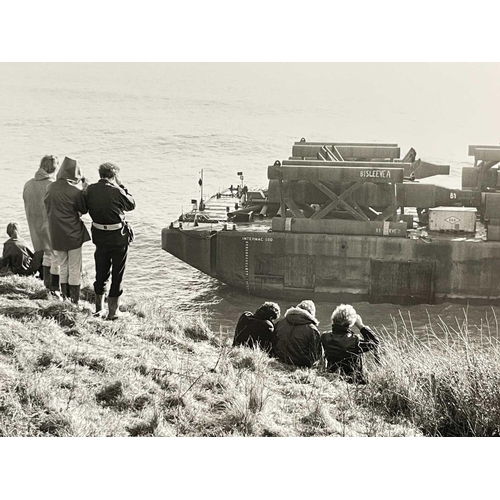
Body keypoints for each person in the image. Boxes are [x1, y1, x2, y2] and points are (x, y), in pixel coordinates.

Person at [84, 162, 135, 319]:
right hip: (118, 238)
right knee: (117, 274)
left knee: (101, 272)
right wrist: (122, 186)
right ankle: (113, 311)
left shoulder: (90, 189)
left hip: (99, 236)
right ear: (114, 176)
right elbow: (131, 205)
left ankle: (99, 309)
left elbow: (85, 206)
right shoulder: (116, 190)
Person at [44, 157, 90, 304]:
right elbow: (84, 209)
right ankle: (74, 301)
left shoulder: (50, 187)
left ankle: (65, 297)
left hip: (56, 232)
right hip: (73, 233)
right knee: (74, 267)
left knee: (63, 265)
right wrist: (84, 190)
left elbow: (48, 206)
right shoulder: (75, 191)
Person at [23, 154, 61, 293]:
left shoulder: (28, 184)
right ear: (54, 169)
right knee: (56, 256)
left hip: (35, 228)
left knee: (46, 255)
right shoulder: (52, 185)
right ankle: (54, 288)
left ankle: (46, 285)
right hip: (50, 226)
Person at [321, 304, 379, 384]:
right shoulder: (355, 341)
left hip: (333, 378)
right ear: (350, 323)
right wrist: (361, 326)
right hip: (353, 380)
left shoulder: (325, 337)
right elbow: (375, 342)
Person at [272, 300, 322, 368]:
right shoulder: (312, 329)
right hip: (300, 367)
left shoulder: (280, 323)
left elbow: (273, 344)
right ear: (311, 313)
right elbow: (316, 356)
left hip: (278, 362)